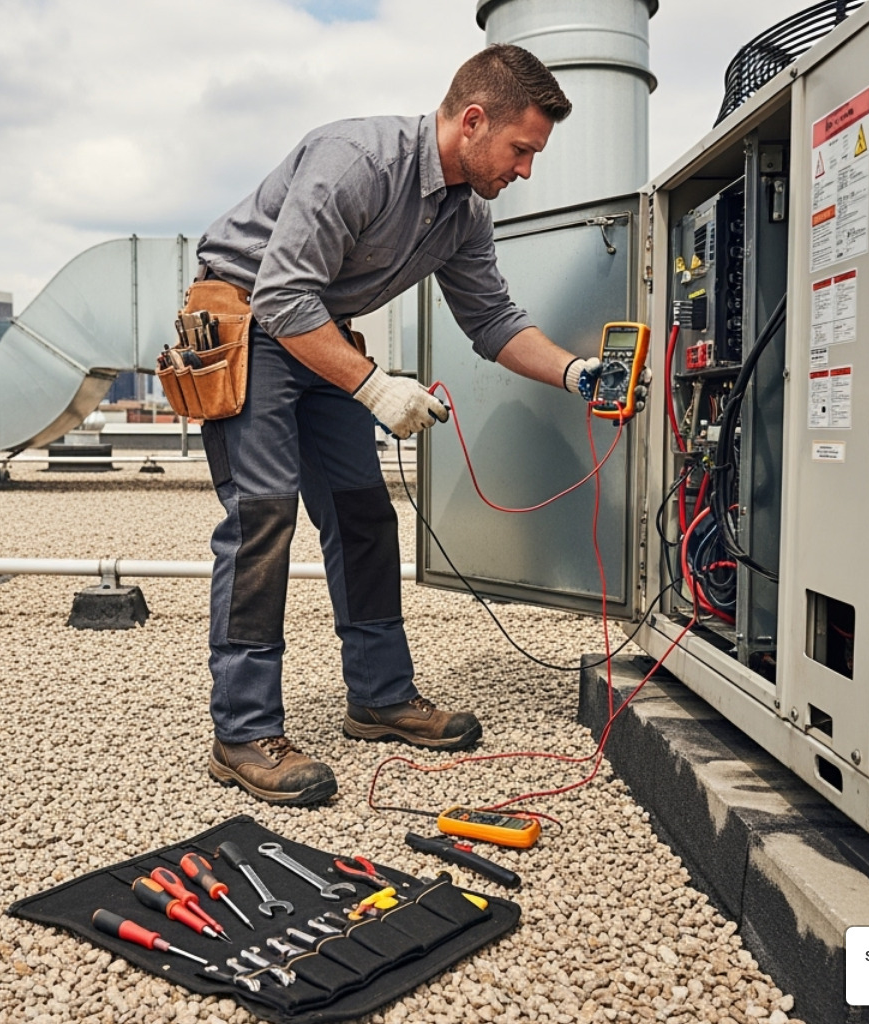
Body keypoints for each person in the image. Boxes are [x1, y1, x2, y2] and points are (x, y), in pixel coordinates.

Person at [194, 44, 625, 805]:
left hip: (318, 332)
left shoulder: (464, 215)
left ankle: (381, 697)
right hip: (250, 320)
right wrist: (375, 388)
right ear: (472, 120)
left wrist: (571, 371)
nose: (526, 169)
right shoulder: (357, 161)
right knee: (262, 516)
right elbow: (282, 298)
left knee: (364, 515)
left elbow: (492, 321)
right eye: (522, 149)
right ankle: (243, 731)